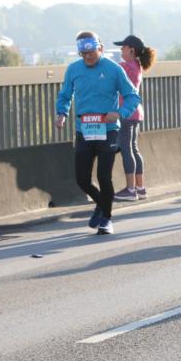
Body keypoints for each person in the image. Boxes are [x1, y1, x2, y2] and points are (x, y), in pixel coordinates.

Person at [55, 31, 141, 235]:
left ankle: (106, 220)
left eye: (91, 52)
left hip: (108, 130)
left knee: (104, 177)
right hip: (84, 129)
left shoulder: (114, 69)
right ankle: (102, 204)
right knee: (82, 179)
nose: (87, 57)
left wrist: (119, 113)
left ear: (100, 48)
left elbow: (132, 97)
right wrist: (62, 113)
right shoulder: (73, 69)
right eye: (83, 54)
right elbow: (65, 95)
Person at [112, 34, 156, 201]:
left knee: (126, 149)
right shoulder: (136, 65)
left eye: (123, 47)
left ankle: (130, 190)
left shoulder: (126, 67)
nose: (120, 50)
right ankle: (140, 187)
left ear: (131, 50)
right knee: (134, 148)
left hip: (126, 112)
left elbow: (109, 70)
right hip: (136, 112)